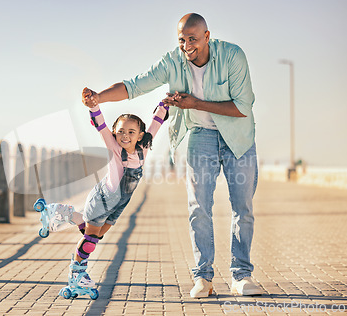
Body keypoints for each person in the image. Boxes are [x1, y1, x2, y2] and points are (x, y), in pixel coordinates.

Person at [82, 13, 262, 298]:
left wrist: (195, 103)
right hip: (201, 136)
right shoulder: (172, 62)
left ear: (207, 36)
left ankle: (242, 275)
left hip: (238, 138)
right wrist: (98, 98)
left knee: (243, 207)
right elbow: (135, 85)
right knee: (198, 208)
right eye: (181, 39)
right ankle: (203, 278)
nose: (187, 45)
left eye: (193, 39)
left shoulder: (232, 56)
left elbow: (243, 107)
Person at [65, 88, 169, 293]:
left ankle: (68, 214)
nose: (125, 135)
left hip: (119, 204)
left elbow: (157, 122)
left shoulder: (144, 147)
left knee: (97, 234)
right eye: (120, 131)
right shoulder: (113, 146)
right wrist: (93, 105)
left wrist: (166, 104)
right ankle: (76, 274)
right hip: (103, 198)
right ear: (114, 133)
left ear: (141, 135)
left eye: (131, 132)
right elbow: (100, 124)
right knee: (90, 241)